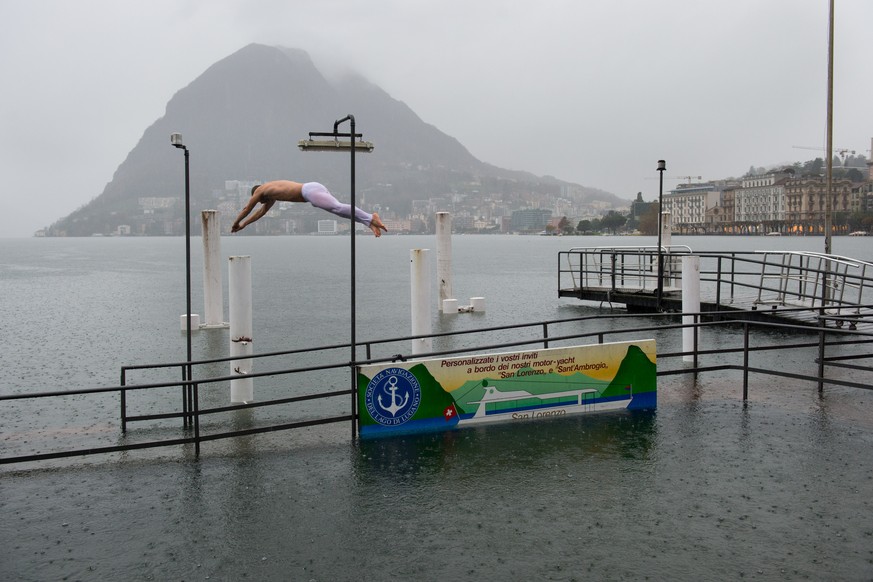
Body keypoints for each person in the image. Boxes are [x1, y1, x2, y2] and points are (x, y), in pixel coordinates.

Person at [231, 180, 387, 237]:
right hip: (311, 191)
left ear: (257, 194)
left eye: (260, 201)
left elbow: (247, 208)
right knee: (337, 211)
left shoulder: (261, 191)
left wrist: (236, 222)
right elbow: (260, 213)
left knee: (337, 207)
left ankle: (371, 216)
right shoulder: (270, 194)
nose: (262, 203)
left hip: (308, 191)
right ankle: (369, 223)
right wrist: (244, 225)